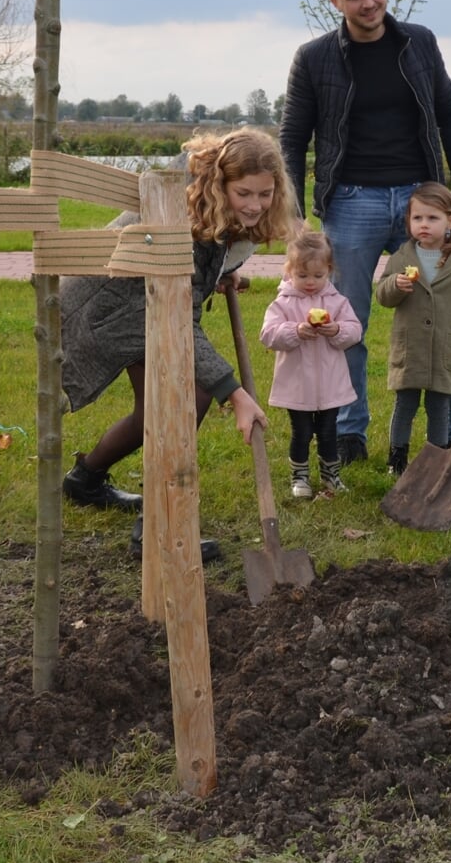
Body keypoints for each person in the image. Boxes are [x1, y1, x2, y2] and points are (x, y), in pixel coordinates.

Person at [279, 0, 451, 466]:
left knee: (447, 315)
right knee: (346, 321)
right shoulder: (314, 58)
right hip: (351, 203)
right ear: (336, 2)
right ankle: (349, 433)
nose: (369, 2)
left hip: (422, 197)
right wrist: (294, 213)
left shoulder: (419, 42)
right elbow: (292, 137)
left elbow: (449, 111)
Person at [58, 128, 299, 561]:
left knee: (163, 406)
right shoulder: (183, 220)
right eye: (244, 192)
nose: (255, 204)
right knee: (190, 394)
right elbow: (182, 323)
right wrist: (236, 394)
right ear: (219, 184)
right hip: (106, 309)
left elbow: (196, 273)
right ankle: (155, 529)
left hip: (137, 304)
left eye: (265, 194)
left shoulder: (215, 214)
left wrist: (222, 272)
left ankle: (86, 480)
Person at [373, 183, 451, 474]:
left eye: (432, 218)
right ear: (409, 221)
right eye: (417, 218)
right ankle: (396, 459)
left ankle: (435, 460)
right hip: (410, 349)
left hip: (446, 349)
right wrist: (394, 285)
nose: (424, 225)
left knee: (439, 408)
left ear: (450, 221)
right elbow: (383, 295)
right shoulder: (402, 257)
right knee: (405, 405)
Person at [259, 229, 363, 498]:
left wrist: (336, 330)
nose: (310, 282)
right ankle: (300, 477)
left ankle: (331, 476)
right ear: (289, 270)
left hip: (330, 384)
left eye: (318, 276)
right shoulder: (283, 303)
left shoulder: (337, 301)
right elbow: (268, 335)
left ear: (329, 270)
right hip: (297, 385)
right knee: (302, 432)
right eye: (302, 275)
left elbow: (355, 330)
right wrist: (295, 331)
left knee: (329, 432)